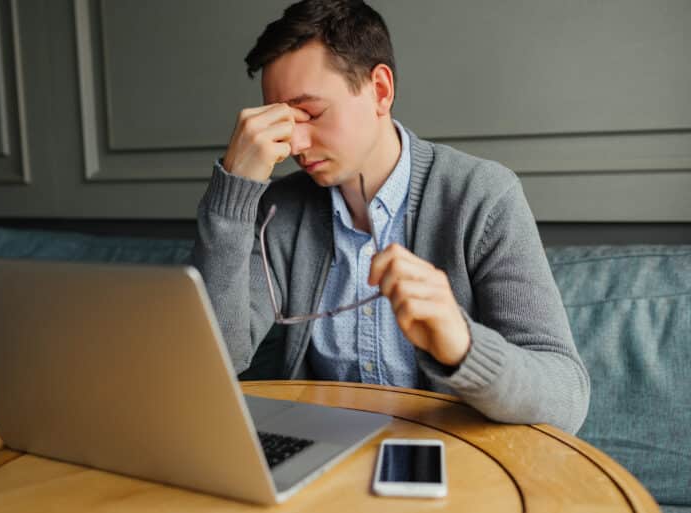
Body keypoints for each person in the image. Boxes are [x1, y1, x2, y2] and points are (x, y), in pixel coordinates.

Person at [191, 0, 590, 433]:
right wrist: (233, 190)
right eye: (282, 121)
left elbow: (565, 396)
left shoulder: (481, 195)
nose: (296, 144)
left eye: (311, 113)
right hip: (320, 456)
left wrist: (462, 345)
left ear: (380, 90)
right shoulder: (278, 209)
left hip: (457, 461)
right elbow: (212, 361)